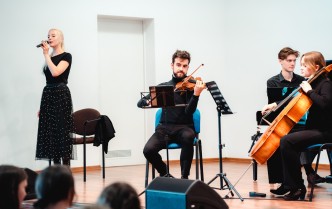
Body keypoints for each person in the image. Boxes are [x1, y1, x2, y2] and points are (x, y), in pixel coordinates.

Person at [261, 47, 325, 194]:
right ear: (280, 62)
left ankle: (299, 179)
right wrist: (274, 104)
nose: (293, 64)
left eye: (294, 61)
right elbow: (284, 103)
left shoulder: (303, 80)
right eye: (289, 61)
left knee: (288, 140)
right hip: (286, 121)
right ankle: (285, 182)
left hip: (303, 123)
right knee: (277, 140)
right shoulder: (273, 81)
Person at [137, 50, 205, 179]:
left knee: (188, 137)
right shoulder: (164, 87)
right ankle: (164, 173)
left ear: (188, 67)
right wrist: (146, 101)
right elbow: (140, 103)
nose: (181, 69)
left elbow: (189, 111)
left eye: (184, 66)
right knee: (148, 150)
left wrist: (196, 94)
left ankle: (184, 178)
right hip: (164, 129)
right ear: (172, 65)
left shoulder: (193, 87)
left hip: (184, 127)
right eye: (178, 65)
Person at [278, 51, 332, 200]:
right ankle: (291, 185)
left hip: (326, 131)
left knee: (286, 141)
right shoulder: (313, 82)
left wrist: (310, 91)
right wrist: (274, 105)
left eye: (303, 65)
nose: (300, 68)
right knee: (285, 139)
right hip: (315, 128)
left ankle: (297, 188)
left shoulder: (326, 83)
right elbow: (293, 101)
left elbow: (325, 104)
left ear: (315, 67)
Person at [35, 28, 74, 166]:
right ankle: (56, 172)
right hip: (48, 95)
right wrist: (43, 107)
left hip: (61, 94)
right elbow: (49, 79)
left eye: (53, 35)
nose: (49, 38)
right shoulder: (49, 58)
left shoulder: (66, 56)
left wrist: (46, 55)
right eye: (48, 36)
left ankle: (65, 172)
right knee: (51, 135)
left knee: (61, 133)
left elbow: (56, 72)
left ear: (60, 39)